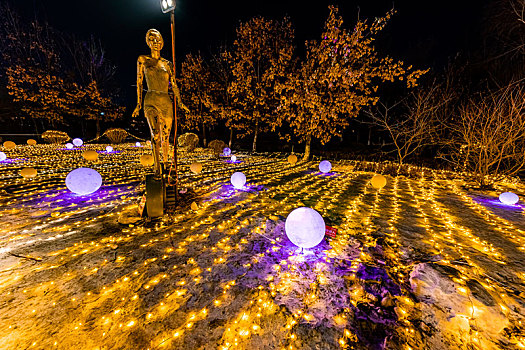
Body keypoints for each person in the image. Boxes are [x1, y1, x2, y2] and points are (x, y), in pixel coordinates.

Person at [132, 29, 188, 177]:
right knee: (156, 135)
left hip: (166, 102)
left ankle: (165, 164)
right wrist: (138, 104)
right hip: (151, 100)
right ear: (148, 42)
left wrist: (180, 102)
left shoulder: (168, 64)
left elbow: (174, 84)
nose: (155, 43)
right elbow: (139, 82)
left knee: (166, 136)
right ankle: (157, 168)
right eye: (152, 39)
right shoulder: (143, 60)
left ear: (162, 42)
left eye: (158, 40)